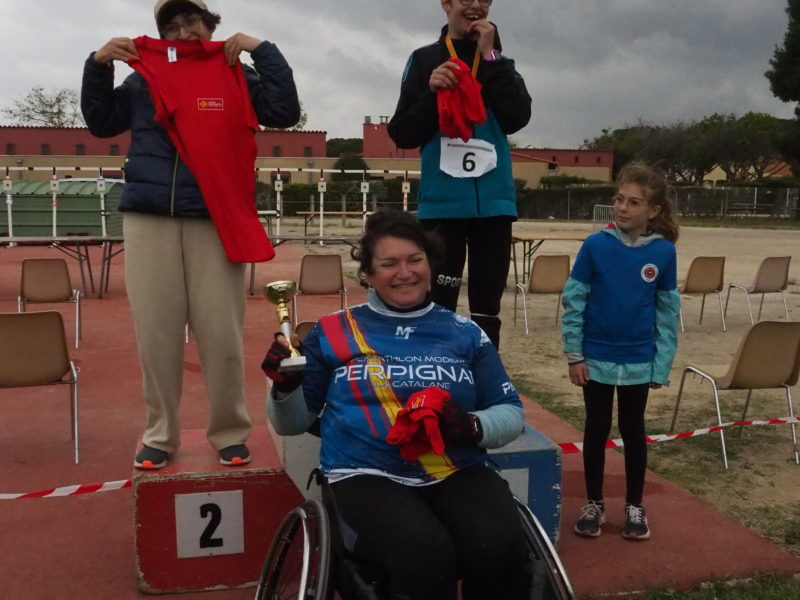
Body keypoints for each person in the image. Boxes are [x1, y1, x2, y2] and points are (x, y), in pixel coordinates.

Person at [263, 210, 531, 600]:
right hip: (364, 472)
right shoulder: (333, 330)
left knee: (500, 548)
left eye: (414, 260)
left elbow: (509, 410)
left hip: (455, 468)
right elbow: (293, 423)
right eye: (389, 264)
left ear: (430, 266)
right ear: (368, 274)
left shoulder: (465, 332)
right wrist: (285, 387)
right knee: (423, 556)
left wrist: (473, 425)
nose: (404, 273)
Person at [81, 0, 300, 469]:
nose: (183, 34)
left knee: (221, 333)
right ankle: (159, 434)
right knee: (155, 334)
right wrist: (98, 66)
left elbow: (284, 111)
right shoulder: (144, 80)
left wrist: (261, 50)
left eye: (192, 22)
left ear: (210, 25)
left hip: (214, 217)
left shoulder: (236, 73)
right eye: (173, 26)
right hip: (149, 217)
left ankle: (230, 431)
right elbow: (101, 123)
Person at [387, 0, 532, 349]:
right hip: (442, 207)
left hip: (494, 206)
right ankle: (435, 373)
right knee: (437, 305)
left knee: (487, 307)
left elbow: (518, 117)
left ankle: (483, 375)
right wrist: (430, 92)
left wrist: (492, 57)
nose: (476, 5)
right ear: (446, 4)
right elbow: (402, 133)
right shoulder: (423, 60)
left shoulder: (499, 61)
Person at [561, 163, 680, 541]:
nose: (623, 207)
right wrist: (574, 355)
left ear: (653, 210)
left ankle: (634, 505)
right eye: (619, 199)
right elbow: (574, 302)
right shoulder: (595, 246)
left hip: (638, 361)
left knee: (633, 429)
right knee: (596, 428)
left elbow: (667, 313)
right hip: (595, 358)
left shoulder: (664, 253)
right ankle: (593, 503)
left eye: (634, 202)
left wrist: (660, 365)